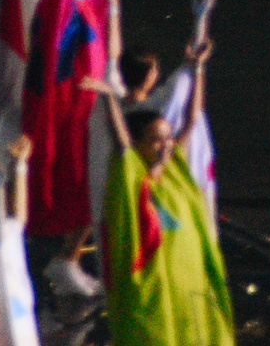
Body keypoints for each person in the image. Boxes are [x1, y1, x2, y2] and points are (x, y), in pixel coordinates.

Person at [88, 54, 234, 346]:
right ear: (138, 144)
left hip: (188, 278)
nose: (167, 144)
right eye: (157, 139)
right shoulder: (130, 177)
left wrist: (199, 67)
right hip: (154, 283)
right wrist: (108, 99)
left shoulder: (175, 169)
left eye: (168, 137)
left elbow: (192, 119)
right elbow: (121, 139)